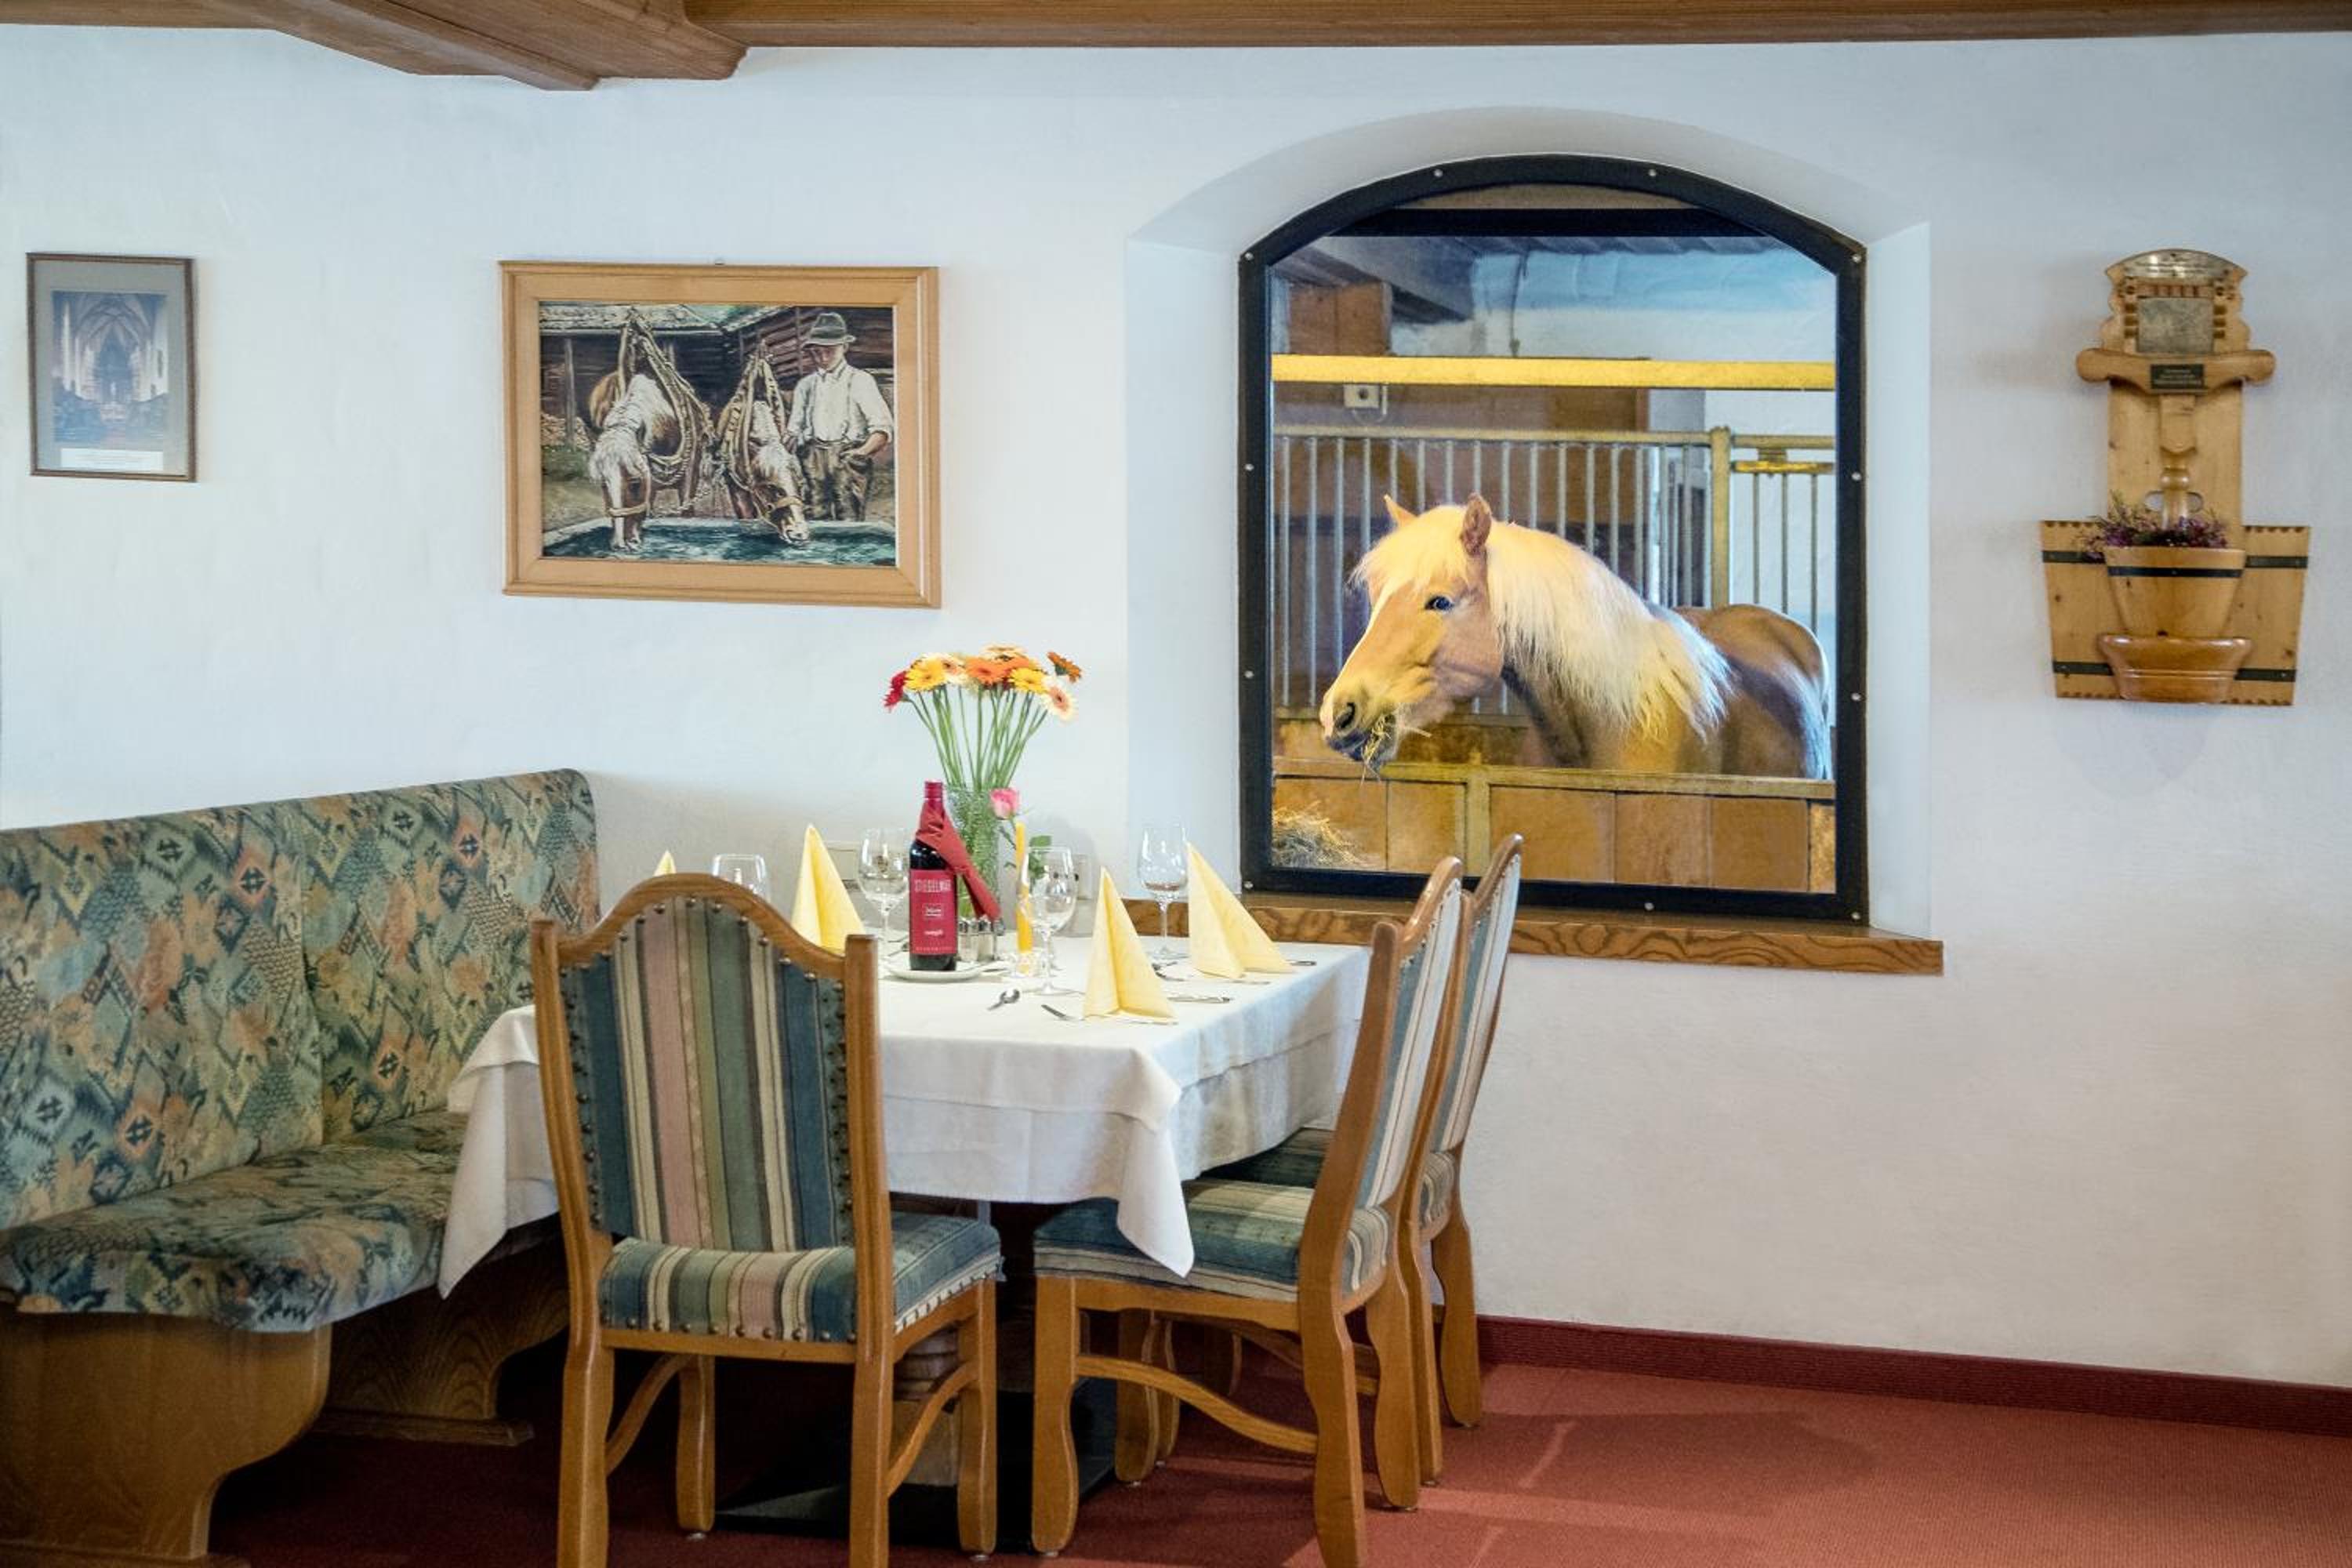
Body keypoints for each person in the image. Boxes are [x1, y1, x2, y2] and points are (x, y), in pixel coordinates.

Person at [785, 310, 894, 522]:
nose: (823, 358)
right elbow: (793, 430)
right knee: (814, 518)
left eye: (829, 351)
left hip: (847, 455)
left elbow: (882, 429)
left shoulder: (860, 380)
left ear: (844, 347)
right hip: (812, 458)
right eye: (817, 352)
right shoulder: (805, 386)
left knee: (849, 519)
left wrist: (859, 454)